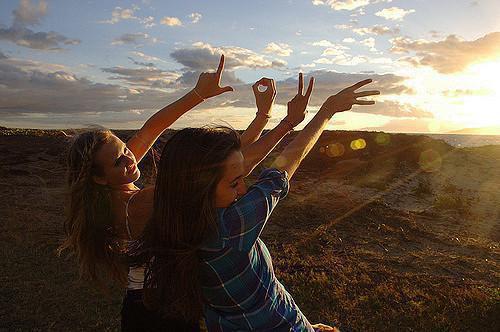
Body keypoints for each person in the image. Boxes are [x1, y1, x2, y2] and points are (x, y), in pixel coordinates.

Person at [58, 54, 297, 331]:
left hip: (141, 301)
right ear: (99, 178)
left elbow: (151, 129)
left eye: (124, 148)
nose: (129, 158)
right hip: (163, 310)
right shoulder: (139, 203)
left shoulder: (109, 187)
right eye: (118, 160)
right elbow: (227, 166)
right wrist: (280, 122)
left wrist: (198, 94)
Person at [130, 75, 379, 331]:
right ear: (199, 188)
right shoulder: (230, 228)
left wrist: (283, 121)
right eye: (235, 182)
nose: (244, 188)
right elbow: (284, 167)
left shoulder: (171, 215)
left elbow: (234, 165)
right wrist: (327, 111)